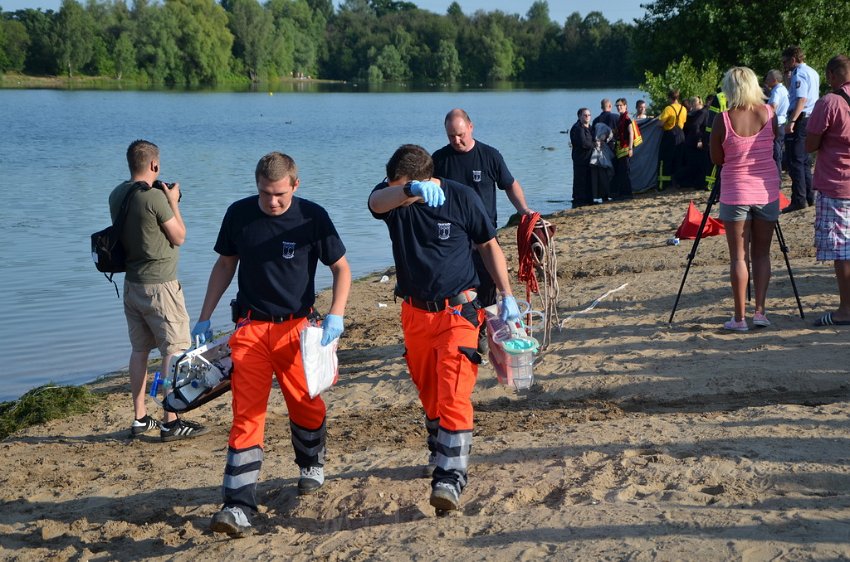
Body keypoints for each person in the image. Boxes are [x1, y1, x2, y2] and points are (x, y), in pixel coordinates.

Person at [192, 151, 351, 537]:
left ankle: (311, 461)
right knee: (246, 417)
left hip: (297, 329)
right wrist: (204, 315)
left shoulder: (313, 216)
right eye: (265, 193)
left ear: (295, 185)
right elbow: (225, 265)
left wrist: (336, 314)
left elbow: (341, 268)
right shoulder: (239, 214)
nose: (272, 201)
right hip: (250, 331)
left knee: (305, 404)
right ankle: (238, 507)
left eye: (279, 194)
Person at [368, 144, 521, 514]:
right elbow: (375, 202)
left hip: (459, 311)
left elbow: (488, 245)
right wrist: (407, 191)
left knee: (453, 391)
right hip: (415, 314)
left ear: (424, 178)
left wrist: (506, 295)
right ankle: (441, 451)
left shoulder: (460, 197)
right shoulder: (396, 200)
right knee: (431, 393)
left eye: (401, 182)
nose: (393, 187)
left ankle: (451, 477)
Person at [111, 140, 209, 442]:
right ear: (154, 165)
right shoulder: (155, 198)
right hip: (161, 287)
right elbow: (179, 236)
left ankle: (140, 418)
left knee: (140, 350)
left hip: (132, 284)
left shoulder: (117, 193)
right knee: (174, 349)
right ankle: (170, 420)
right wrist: (174, 202)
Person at [432, 108, 534, 356]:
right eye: (450, 136)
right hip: (453, 238)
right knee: (458, 289)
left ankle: (485, 333)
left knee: (488, 287)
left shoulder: (489, 156)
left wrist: (524, 210)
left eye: (459, 134)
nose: (456, 140)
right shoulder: (439, 160)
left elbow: (509, 184)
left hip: (485, 234)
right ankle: (462, 332)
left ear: (470, 127)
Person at [709, 67, 780, 331]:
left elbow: (717, 159)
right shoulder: (769, 114)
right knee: (762, 254)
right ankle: (760, 312)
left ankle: (739, 318)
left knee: (739, 257)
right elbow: (776, 142)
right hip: (766, 191)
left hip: (735, 191)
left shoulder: (724, 119)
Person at [805, 54, 850, 327]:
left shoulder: (829, 102)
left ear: (832, 75)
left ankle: (845, 310)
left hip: (837, 182)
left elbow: (810, 144)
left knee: (842, 250)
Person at [782, 45, 820, 213]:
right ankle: (809, 196)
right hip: (811, 117)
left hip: (800, 118)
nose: (784, 65)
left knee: (795, 160)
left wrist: (792, 120)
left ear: (793, 59)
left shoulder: (800, 73)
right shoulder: (812, 71)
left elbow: (801, 98)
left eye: (785, 61)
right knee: (804, 160)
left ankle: (799, 199)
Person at [658, 89, 687, 190]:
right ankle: (677, 183)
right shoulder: (684, 108)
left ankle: (665, 185)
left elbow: (660, 124)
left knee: (666, 159)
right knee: (678, 159)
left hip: (670, 136)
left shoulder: (668, 109)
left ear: (670, 98)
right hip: (681, 136)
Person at [678, 96, 710, 188]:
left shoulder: (700, 113)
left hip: (694, 142)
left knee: (695, 164)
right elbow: (696, 126)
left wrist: (699, 139)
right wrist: (699, 139)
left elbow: (695, 126)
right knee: (695, 164)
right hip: (695, 142)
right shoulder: (703, 112)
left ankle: (687, 181)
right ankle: (685, 181)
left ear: (695, 104)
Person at [765, 69, 789, 178]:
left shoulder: (776, 91)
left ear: (774, 80)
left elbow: (773, 106)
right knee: (778, 150)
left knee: (775, 152)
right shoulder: (784, 89)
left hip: (776, 124)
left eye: (768, 79)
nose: (766, 80)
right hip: (782, 122)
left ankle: (776, 177)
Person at [569, 107, 595, 207]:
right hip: (580, 159)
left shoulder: (589, 127)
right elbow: (584, 143)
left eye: (589, 115)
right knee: (580, 180)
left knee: (588, 179)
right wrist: (595, 144)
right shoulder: (577, 128)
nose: (587, 117)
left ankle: (588, 200)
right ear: (580, 116)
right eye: (585, 115)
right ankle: (579, 200)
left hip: (588, 158)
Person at [613, 98, 635, 200]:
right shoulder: (620, 118)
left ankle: (628, 194)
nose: (618, 107)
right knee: (621, 171)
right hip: (620, 148)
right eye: (617, 106)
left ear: (625, 106)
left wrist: (630, 148)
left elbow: (631, 133)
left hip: (626, 148)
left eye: (620, 105)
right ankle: (622, 193)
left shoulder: (627, 119)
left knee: (626, 171)